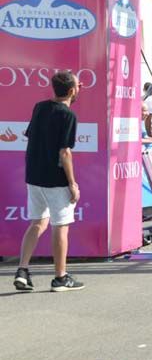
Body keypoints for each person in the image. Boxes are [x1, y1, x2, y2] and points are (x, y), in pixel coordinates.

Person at [13, 71, 85, 292]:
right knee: (60, 227)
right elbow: (65, 153)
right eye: (77, 86)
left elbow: (32, 135)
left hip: (34, 176)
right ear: (72, 90)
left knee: (37, 222)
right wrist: (72, 183)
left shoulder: (40, 107)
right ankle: (60, 277)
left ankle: (22, 270)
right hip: (56, 180)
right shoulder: (68, 116)